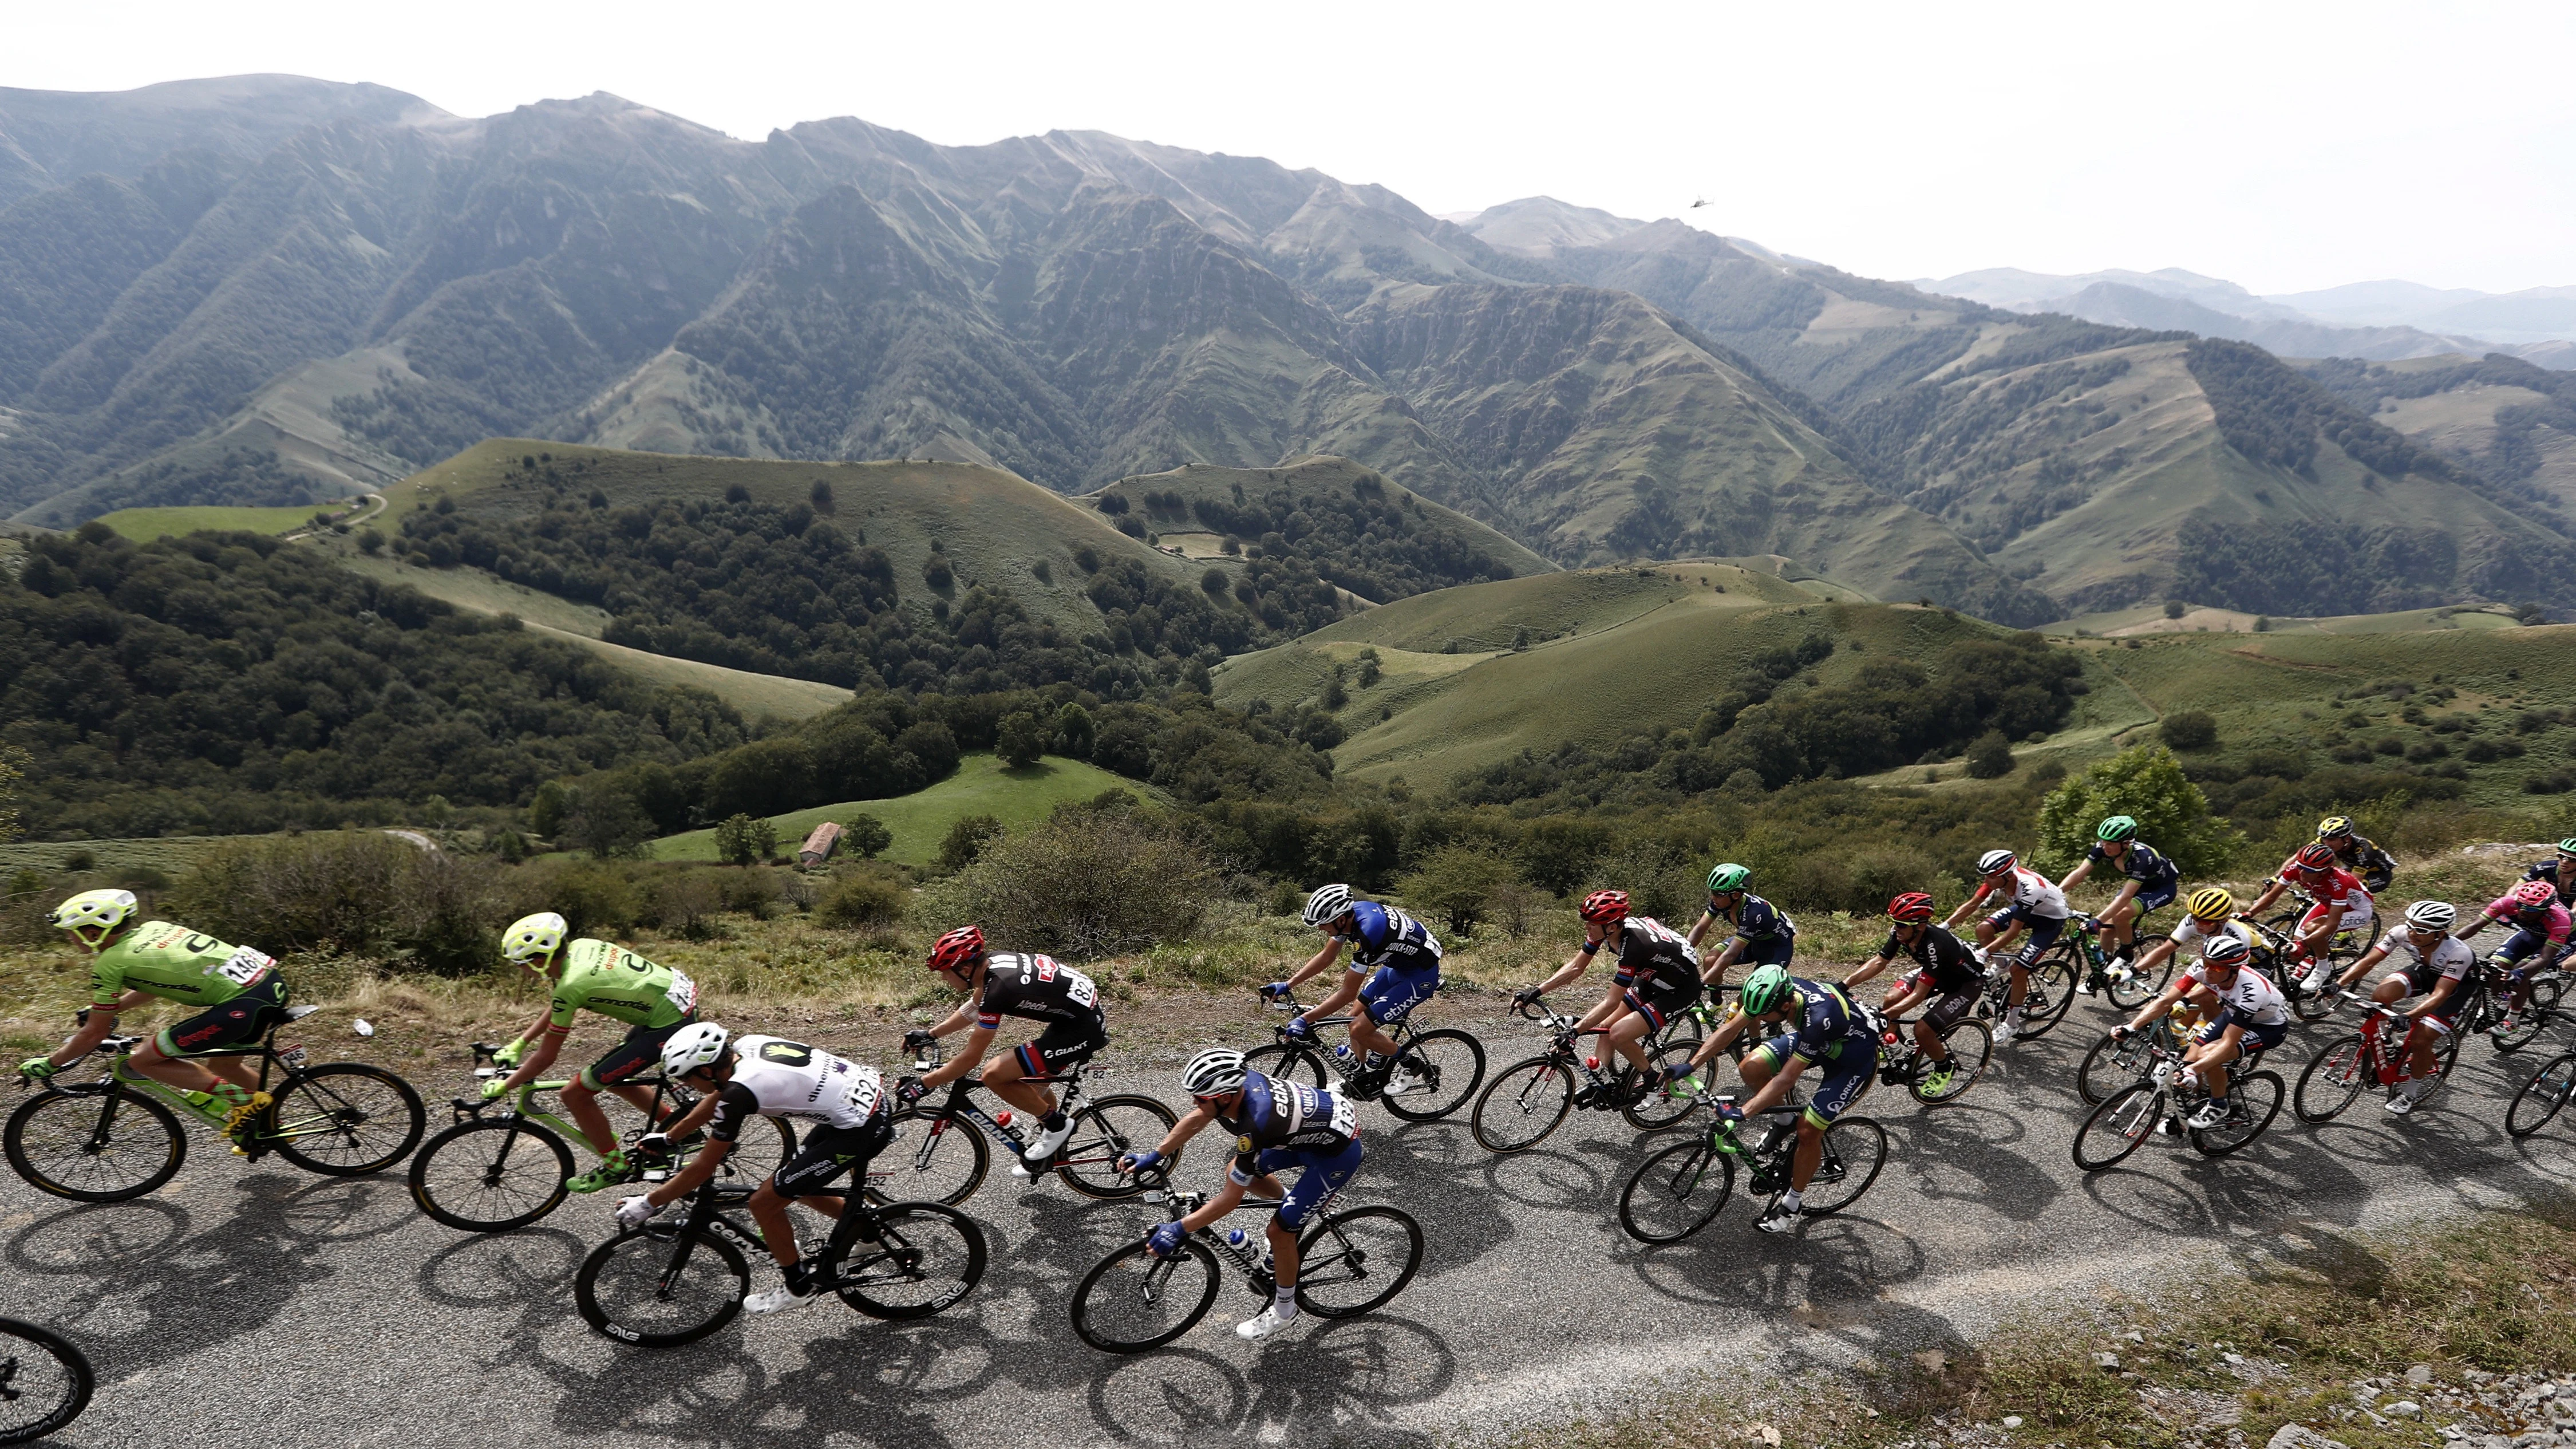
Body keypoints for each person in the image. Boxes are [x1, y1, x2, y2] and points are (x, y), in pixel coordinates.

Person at [612, 1024, 891, 1312]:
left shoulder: (739, 1093)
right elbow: (719, 1097)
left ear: (706, 1071)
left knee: (764, 1202)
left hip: (860, 1127)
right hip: (861, 1104)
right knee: (794, 1184)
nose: (687, 1085)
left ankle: (799, 1287)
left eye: (687, 1078)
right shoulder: (746, 1046)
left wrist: (648, 1202)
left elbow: (702, 1168)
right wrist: (671, 1137)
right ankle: (867, 1230)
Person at [1119, 1048, 1362, 1341]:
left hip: (1336, 1155)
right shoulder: (1244, 1085)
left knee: (1279, 1232)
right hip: (1318, 1128)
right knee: (1237, 1168)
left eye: (1200, 1098)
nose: (1194, 1103)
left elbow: (1229, 1200)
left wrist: (1179, 1228)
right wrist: (1155, 1155)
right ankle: (1297, 1204)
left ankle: (1285, 1311)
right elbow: (1200, 1117)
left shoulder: (1256, 1125)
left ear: (1225, 1097)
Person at [21, 890, 292, 1150]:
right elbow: (151, 983)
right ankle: (272, 1125)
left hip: (243, 1004)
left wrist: (51, 1063)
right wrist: (111, 1009)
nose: (70, 938)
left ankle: (246, 1102)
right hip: (268, 985)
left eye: (71, 932)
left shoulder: (110, 962)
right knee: (225, 1066)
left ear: (93, 932)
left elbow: (93, 1034)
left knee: (142, 1059)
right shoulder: (155, 928)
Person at [483, 912, 699, 1193]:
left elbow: (547, 1057)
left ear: (539, 960)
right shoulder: (581, 947)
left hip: (668, 1023)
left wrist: (505, 1085)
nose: (521, 970)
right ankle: (682, 1129)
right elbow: (561, 1004)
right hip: (675, 1002)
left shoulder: (570, 985)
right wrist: (519, 1044)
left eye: (520, 965)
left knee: (574, 1093)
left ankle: (616, 1167)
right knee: (613, 1076)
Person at [1682, 964, 1879, 1234]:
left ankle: (1793, 1202)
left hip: (1851, 1060)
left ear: (1786, 1006)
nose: (1759, 1020)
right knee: (1751, 1067)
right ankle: (1784, 1120)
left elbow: (1786, 1079)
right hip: (1822, 1040)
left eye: (1765, 1016)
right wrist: (1690, 1065)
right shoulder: (1777, 992)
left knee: (1809, 1130)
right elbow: (1730, 1030)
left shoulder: (1818, 1017)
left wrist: (1743, 1112)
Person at [904, 925, 1108, 1179]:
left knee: (993, 1074)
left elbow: (971, 1058)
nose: (944, 979)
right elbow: (973, 1008)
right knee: (1033, 1092)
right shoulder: (994, 965)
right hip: (1073, 1019)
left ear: (965, 969)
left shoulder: (1001, 988)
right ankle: (1053, 1145)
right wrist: (931, 1034)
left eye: (945, 973)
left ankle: (1057, 1126)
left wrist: (924, 1083)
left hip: (1081, 1029)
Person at [1515, 890, 1702, 1101]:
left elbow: (1611, 1001)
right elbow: (1576, 967)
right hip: (1653, 977)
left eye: (1591, 924)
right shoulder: (1607, 930)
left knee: (1619, 1034)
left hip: (1680, 990)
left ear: (1612, 926)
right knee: (1605, 1027)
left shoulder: (1632, 946)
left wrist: (1574, 1032)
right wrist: (1537, 991)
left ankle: (1653, 1081)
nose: (1587, 927)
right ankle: (1599, 1083)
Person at [1263, 885, 1444, 1097]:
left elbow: (1347, 993)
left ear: (1340, 919)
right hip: (1396, 967)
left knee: (1359, 1029)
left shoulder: (1368, 933)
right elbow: (1327, 957)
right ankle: (1361, 1076)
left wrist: (1305, 1020)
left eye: (1323, 924)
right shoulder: (1350, 916)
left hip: (1420, 976)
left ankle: (1412, 1064)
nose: (1321, 929)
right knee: (1353, 1019)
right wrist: (1289, 983)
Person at [2109, 935, 2289, 1128]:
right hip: (2233, 1012)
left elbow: (2228, 1043)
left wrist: (2194, 1070)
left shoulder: (2252, 990)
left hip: (2268, 1027)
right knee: (2187, 1060)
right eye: (2206, 963)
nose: (2208, 971)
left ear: (2234, 970)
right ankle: (2192, 1107)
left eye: (2217, 967)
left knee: (2208, 1055)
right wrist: (2131, 1026)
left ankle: (2219, 1105)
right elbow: (2165, 1001)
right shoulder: (2203, 970)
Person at [2330, 900, 2472, 1115]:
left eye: (2422, 930)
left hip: (2454, 989)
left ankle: (2410, 1092)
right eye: (2411, 925)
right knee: (2381, 995)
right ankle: (2392, 1043)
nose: (2413, 933)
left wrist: (2409, 1015)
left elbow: (2441, 993)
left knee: (2421, 1039)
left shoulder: (2458, 953)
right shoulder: (2400, 932)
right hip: (2426, 972)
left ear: (2441, 933)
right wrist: (2338, 983)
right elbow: (2369, 961)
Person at [1843, 892, 1982, 1099]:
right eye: (1895, 923)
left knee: (1923, 1030)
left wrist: (1884, 1016)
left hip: (1965, 984)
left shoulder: (1936, 945)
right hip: (1938, 972)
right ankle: (1895, 1049)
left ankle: (1944, 1067)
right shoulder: (1903, 932)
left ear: (1920, 926)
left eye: (1901, 924)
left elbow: (1919, 995)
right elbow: (1880, 962)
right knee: (1891, 999)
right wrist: (1843, 985)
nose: (1896, 928)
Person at [1941, 848, 2070, 1044]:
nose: (1987, 881)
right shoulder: (2000, 879)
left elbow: (2014, 932)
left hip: (2051, 920)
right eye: (1985, 876)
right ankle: (2001, 966)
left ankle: (2011, 1023)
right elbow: (1972, 904)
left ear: (2008, 876)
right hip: (2032, 909)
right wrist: (1944, 927)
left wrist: (1985, 953)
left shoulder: (2029, 887)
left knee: (2019, 971)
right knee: (1983, 930)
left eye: (1991, 877)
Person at [2053, 815, 2182, 977]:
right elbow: (2079, 873)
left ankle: (2127, 955)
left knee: (2121, 915)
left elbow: (2126, 897)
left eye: (2110, 844)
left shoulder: (2143, 858)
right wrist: (2054, 893)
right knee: (2107, 929)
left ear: (2126, 843)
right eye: (2103, 841)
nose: (2105, 847)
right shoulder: (2103, 847)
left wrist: (2097, 921)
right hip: (2140, 885)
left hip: (2162, 889)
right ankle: (2103, 973)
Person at [2244, 842, 2376, 986]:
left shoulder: (2339, 882)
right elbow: (2272, 896)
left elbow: (2332, 924)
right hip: (2329, 904)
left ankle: (2322, 968)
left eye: (2309, 870)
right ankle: (2306, 966)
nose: (2302, 873)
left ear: (2324, 871)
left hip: (2357, 911)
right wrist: (2250, 913)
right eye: (2301, 867)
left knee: (2311, 930)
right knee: (2296, 944)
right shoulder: (2296, 868)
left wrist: (2305, 943)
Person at [2457, 878, 2569, 1021]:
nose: (2523, 910)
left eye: (2531, 909)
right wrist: (2447, 942)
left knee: (2521, 973)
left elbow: (2545, 957)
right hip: (2531, 934)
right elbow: (2475, 926)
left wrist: (2519, 973)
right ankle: (2491, 1004)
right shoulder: (2506, 903)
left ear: (2546, 909)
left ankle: (2513, 1019)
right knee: (2495, 968)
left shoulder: (2560, 920)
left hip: (2565, 940)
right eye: (2520, 905)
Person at [1686, 863, 1797, 993]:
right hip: (1754, 940)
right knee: (1710, 960)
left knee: (1750, 995)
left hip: (1776, 949)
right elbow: (1700, 928)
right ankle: (1716, 1003)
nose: (1713, 897)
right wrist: (1682, 952)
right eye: (1712, 892)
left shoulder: (1753, 913)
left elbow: (1731, 954)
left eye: (1718, 894)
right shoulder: (1721, 902)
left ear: (1735, 895)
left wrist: (1702, 982)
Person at [2126, 887, 2260, 991]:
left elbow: (2234, 973)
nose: (2198, 925)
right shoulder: (2191, 921)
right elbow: (2165, 950)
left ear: (2223, 921)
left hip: (2256, 964)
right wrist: (2132, 971)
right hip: (2223, 965)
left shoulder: (2238, 935)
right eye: (2196, 919)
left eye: (2206, 922)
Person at [2315, 815, 2397, 894]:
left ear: (2347, 839)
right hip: (2353, 867)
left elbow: (2353, 882)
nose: (2327, 844)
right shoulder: (2326, 839)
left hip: (2379, 875)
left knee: (2350, 890)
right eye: (2324, 839)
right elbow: (2305, 853)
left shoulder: (2364, 850)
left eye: (2332, 840)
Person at [2518, 838, 2576, 909]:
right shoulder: (2544, 867)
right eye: (2561, 857)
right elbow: (2517, 887)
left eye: (2572, 859)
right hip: (2554, 901)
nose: (2564, 862)